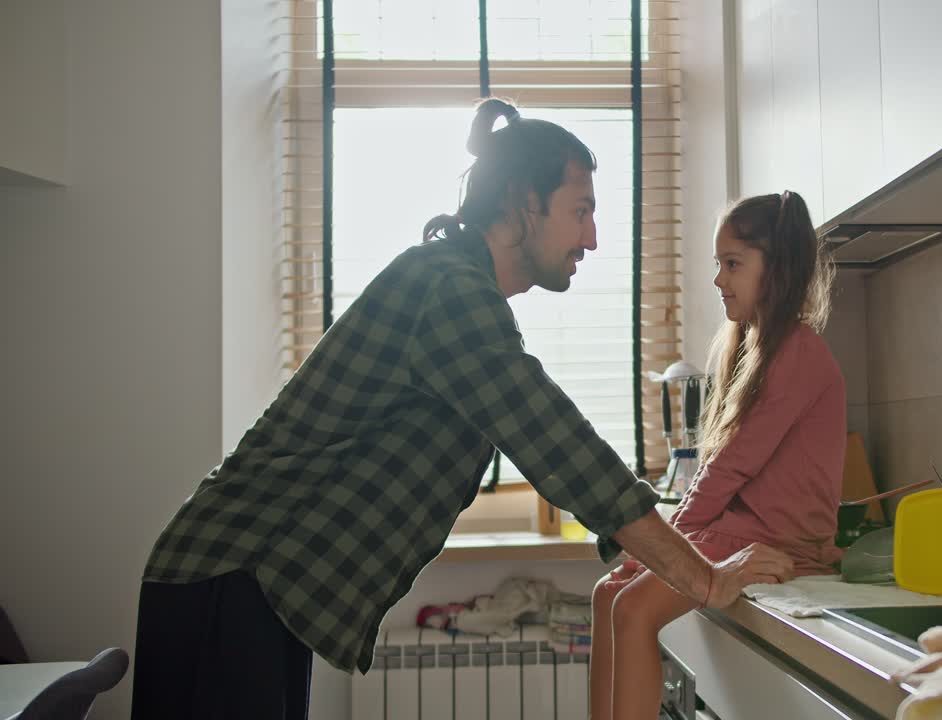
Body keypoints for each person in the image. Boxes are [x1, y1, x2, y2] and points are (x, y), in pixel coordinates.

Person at [129, 99, 794, 720]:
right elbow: (553, 441)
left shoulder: (459, 289)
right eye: (580, 210)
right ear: (525, 201)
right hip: (232, 576)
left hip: (253, 585)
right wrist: (703, 579)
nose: (592, 237)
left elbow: (559, 454)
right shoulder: (447, 288)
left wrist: (658, 543)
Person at [589, 191, 846, 720]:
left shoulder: (799, 352)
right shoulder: (756, 349)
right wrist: (668, 546)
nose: (718, 279)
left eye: (732, 264)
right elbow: (722, 471)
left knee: (633, 608)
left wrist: (668, 546)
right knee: (606, 593)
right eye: (719, 264)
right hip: (740, 532)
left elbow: (730, 467)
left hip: (776, 543)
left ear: (776, 269)